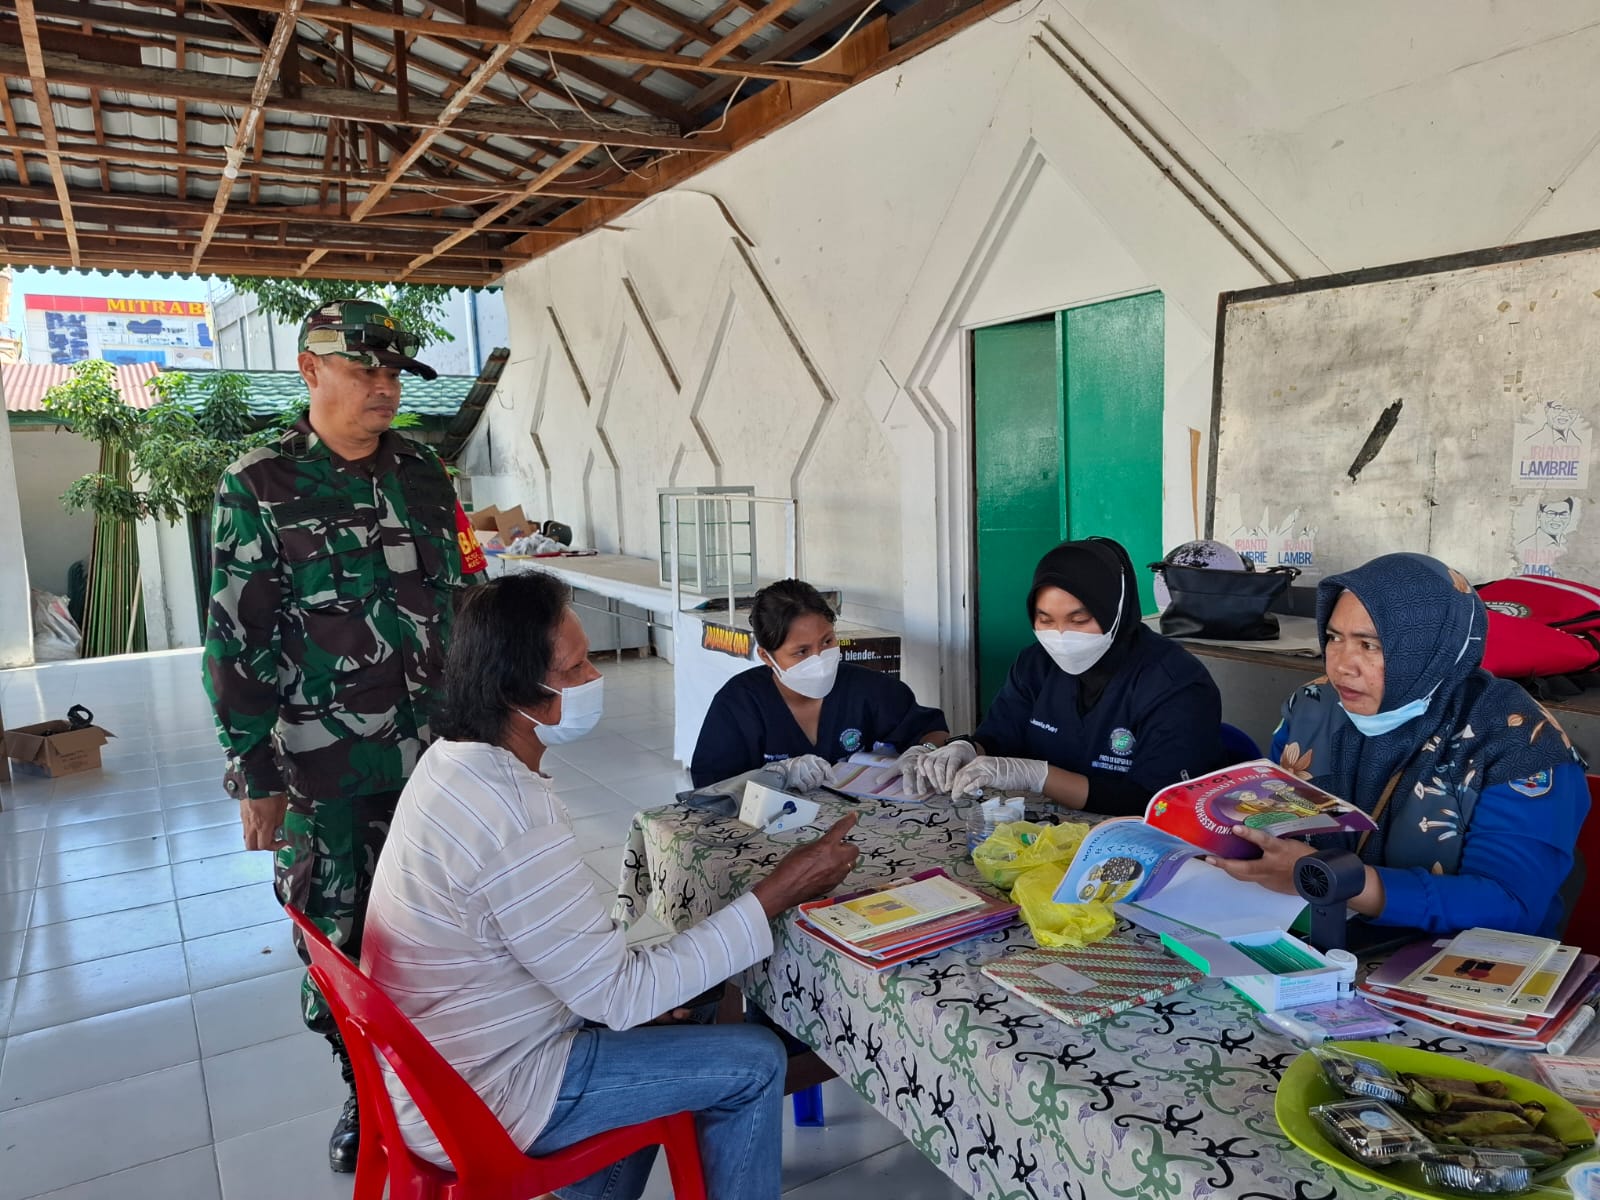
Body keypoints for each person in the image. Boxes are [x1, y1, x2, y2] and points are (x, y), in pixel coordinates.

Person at [361, 571, 860, 1200]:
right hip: (485, 1091)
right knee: (756, 1061)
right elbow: (621, 996)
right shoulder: (511, 811)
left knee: (689, 1010)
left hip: (439, 1065)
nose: (595, 677)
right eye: (574, 669)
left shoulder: (449, 761)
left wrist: (625, 1006)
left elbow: (568, 964)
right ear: (516, 691)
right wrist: (777, 891)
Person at [203, 299, 469, 1172]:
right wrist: (254, 773)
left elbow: (460, 606)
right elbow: (236, 639)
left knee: (447, 923)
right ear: (311, 370)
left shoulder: (425, 473)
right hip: (326, 768)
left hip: (441, 757)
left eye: (394, 373)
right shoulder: (260, 484)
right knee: (339, 937)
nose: (385, 387)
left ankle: (452, 1077)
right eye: (365, 370)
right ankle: (364, 1090)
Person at [1209, 552, 1588, 937]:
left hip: (1455, 958)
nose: (1341, 665)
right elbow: (1273, 825)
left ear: (1430, 646)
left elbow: (1509, 904)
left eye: (1369, 645)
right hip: (1315, 933)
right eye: (1335, 638)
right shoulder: (1313, 706)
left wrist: (1333, 879)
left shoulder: (1519, 741)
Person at [913, 537, 1225, 813]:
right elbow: (998, 738)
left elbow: (1157, 800)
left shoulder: (1176, 683)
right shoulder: (1035, 664)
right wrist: (966, 749)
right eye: (1045, 620)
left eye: (1079, 620)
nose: (1061, 636)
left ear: (1115, 611)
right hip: (1039, 826)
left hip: (1134, 834)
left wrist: (1039, 776)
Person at [689, 578, 951, 789]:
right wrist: (776, 775)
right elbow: (711, 786)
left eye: (827, 641)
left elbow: (934, 732)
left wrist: (923, 752)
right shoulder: (739, 703)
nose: (820, 659)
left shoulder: (869, 688)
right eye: (801, 652)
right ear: (766, 657)